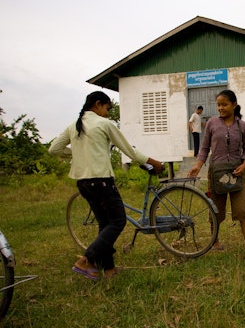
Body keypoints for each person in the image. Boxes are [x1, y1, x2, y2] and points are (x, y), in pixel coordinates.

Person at [49, 91, 164, 280]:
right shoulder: (104, 124)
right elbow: (129, 150)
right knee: (118, 221)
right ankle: (86, 260)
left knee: (104, 223)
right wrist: (155, 162)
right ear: (97, 104)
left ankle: (108, 269)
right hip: (101, 181)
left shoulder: (73, 126)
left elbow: (53, 149)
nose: (108, 113)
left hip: (83, 184)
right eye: (107, 108)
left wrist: (78, 153)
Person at [187, 90, 245, 260]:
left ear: (234, 105)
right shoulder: (211, 123)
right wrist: (198, 165)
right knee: (216, 210)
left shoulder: (242, 126)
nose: (221, 108)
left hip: (237, 173)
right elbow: (204, 148)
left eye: (224, 104)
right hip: (217, 173)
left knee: (242, 212)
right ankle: (215, 241)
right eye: (218, 105)